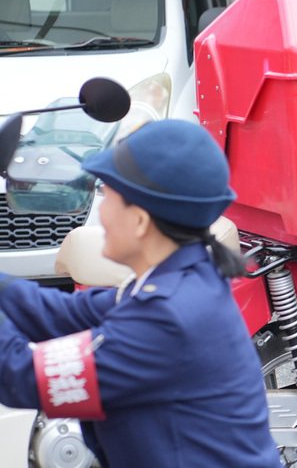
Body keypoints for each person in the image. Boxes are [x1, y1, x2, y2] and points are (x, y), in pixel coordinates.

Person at [0, 119, 280, 468]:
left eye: (108, 196)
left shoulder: (167, 316)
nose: (100, 211)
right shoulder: (180, 279)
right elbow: (63, 313)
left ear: (140, 221)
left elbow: (21, 379)